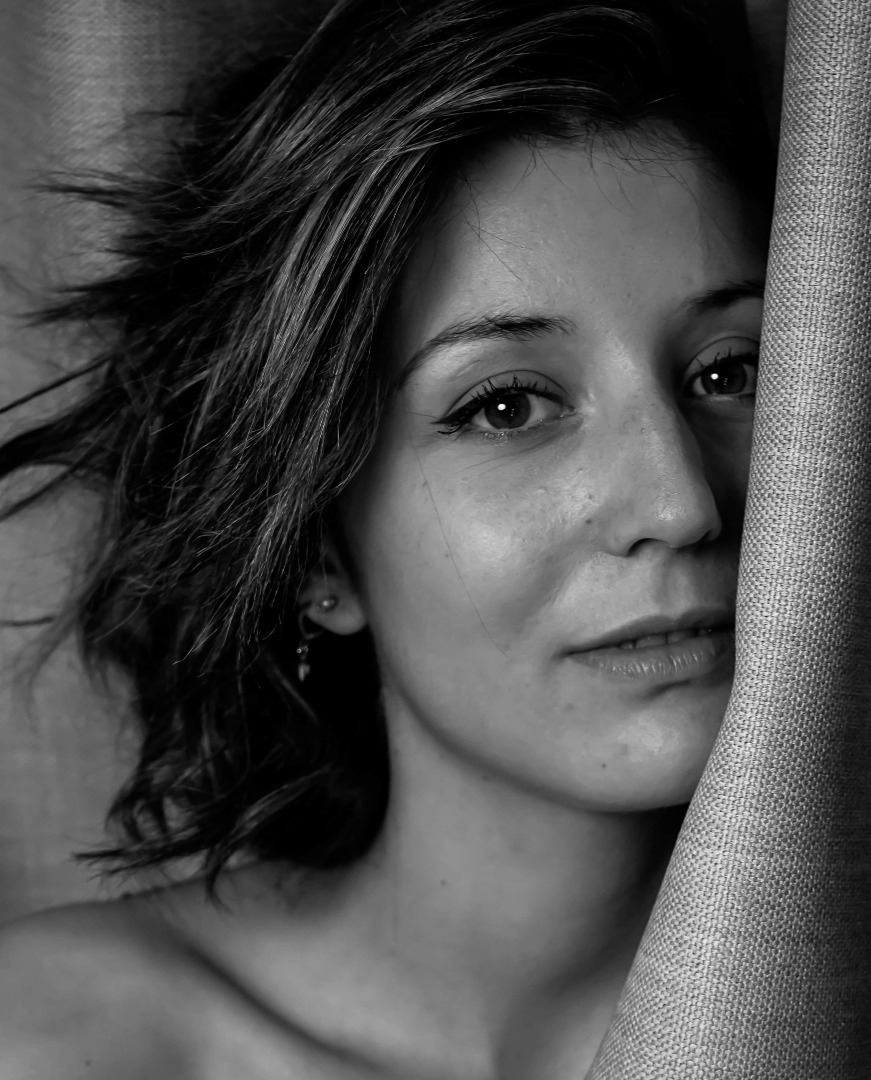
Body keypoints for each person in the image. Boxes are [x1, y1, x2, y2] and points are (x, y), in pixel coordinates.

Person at [0, 0, 774, 1076]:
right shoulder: (59, 1042)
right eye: (506, 406)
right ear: (314, 550)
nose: (681, 503)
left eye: (728, 372)